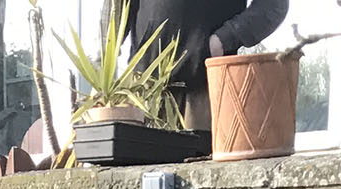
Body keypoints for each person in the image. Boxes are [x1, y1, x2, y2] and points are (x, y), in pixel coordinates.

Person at [121, 0, 291, 127]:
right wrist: (102, 63)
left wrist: (222, 41)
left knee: (199, 167)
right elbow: (115, 7)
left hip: (204, 93)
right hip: (140, 95)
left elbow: (274, 5)